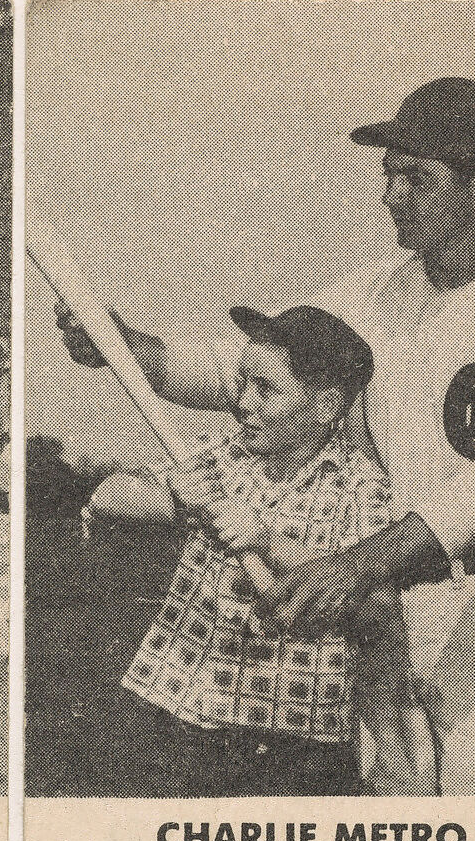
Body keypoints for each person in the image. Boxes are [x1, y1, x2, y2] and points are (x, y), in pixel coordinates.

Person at [57, 76, 475, 794]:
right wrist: (126, 345)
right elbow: (247, 365)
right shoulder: (376, 290)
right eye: (388, 176)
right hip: (392, 618)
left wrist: (356, 563)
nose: (391, 195)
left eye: (417, 178)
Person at [82, 304, 430, 797]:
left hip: (284, 739)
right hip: (177, 706)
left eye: (266, 389)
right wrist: (181, 502)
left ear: (327, 406)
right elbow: (111, 499)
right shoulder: (226, 454)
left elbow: (358, 604)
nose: (245, 401)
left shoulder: (361, 493)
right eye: (243, 383)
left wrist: (266, 541)